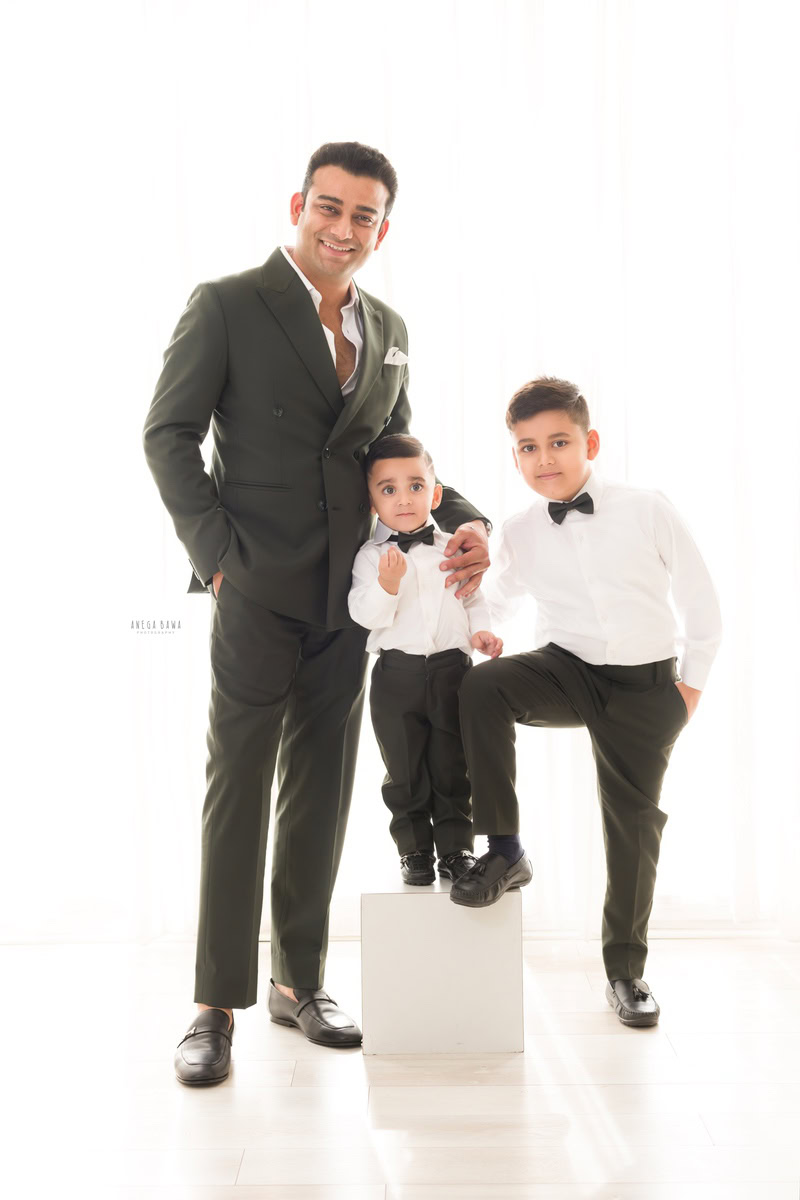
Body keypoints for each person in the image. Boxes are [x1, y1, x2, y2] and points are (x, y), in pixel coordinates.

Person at [143, 142, 491, 1084]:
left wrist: (467, 521)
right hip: (255, 589)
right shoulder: (226, 304)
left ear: (384, 228)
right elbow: (167, 433)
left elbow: (396, 452)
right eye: (329, 208)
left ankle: (300, 982)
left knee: (323, 788)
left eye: (364, 216)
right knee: (238, 791)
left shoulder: (388, 325)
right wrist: (217, 560)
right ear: (299, 204)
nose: (343, 229)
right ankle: (215, 1005)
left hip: (354, 598)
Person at [451, 377, 721, 1028]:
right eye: (527, 448)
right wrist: (478, 619)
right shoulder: (518, 530)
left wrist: (689, 688)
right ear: (514, 457)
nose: (544, 459)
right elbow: (503, 597)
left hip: (646, 683)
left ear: (589, 441)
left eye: (559, 442)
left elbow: (701, 599)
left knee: (632, 826)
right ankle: (505, 848)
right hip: (566, 668)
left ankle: (626, 971)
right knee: (482, 686)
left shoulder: (645, 506)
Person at [348, 434, 503, 885]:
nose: (404, 499)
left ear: (436, 494)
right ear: (372, 500)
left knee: (453, 762)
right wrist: (387, 586)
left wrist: (482, 632)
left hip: (453, 671)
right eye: (388, 489)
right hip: (397, 675)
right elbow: (363, 614)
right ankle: (413, 850)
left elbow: (473, 597)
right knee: (404, 767)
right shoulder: (371, 557)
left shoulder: (454, 547)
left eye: (416, 486)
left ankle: (456, 849)